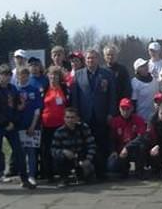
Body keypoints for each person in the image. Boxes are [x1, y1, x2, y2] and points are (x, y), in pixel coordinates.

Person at [70, 49, 118, 180]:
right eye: (88, 58)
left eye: (93, 58)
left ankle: (101, 172)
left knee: (101, 144)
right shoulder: (78, 75)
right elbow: (75, 97)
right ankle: (86, 173)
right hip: (85, 116)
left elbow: (112, 95)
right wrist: (76, 115)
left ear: (98, 59)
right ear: (85, 60)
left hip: (101, 116)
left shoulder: (107, 74)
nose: (91, 60)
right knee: (85, 146)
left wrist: (111, 113)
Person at [0, 64, 30, 191]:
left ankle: (25, 179)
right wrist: (5, 123)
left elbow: (17, 107)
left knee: (19, 152)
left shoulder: (13, 89)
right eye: (4, 74)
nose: (7, 77)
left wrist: (14, 122)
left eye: (9, 75)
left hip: (12, 126)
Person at [51, 107, 96, 187]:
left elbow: (91, 145)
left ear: (77, 118)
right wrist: (63, 151)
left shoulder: (84, 128)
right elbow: (53, 150)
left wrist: (88, 160)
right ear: (64, 118)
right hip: (69, 159)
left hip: (82, 157)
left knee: (98, 157)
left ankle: (87, 175)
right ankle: (64, 178)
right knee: (59, 157)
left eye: (72, 117)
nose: (70, 120)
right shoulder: (59, 132)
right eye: (67, 117)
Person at [16, 66, 43, 188]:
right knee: (20, 152)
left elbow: (37, 109)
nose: (23, 77)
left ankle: (32, 175)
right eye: (20, 75)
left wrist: (33, 125)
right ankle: (23, 176)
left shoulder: (34, 89)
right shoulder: (14, 89)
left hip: (32, 125)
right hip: (18, 126)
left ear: (28, 76)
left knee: (31, 152)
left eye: (25, 75)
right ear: (17, 76)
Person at [41, 65, 69, 182]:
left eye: (56, 75)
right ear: (48, 76)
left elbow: (68, 103)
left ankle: (63, 173)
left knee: (61, 150)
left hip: (61, 125)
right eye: (51, 74)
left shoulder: (64, 88)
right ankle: (49, 174)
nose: (53, 77)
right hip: (46, 125)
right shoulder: (44, 88)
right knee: (47, 150)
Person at [108, 98, 146, 179]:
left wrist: (127, 147)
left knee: (142, 147)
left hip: (133, 148)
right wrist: (113, 151)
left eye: (127, 109)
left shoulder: (139, 120)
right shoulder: (114, 121)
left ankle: (139, 171)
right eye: (123, 109)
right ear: (119, 108)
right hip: (120, 149)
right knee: (111, 165)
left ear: (132, 108)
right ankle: (123, 171)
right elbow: (111, 138)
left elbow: (141, 137)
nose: (125, 111)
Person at [131, 58, 160, 122]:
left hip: (155, 117)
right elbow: (133, 102)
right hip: (141, 118)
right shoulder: (134, 82)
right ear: (137, 69)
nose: (145, 67)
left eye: (146, 65)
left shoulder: (154, 80)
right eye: (142, 66)